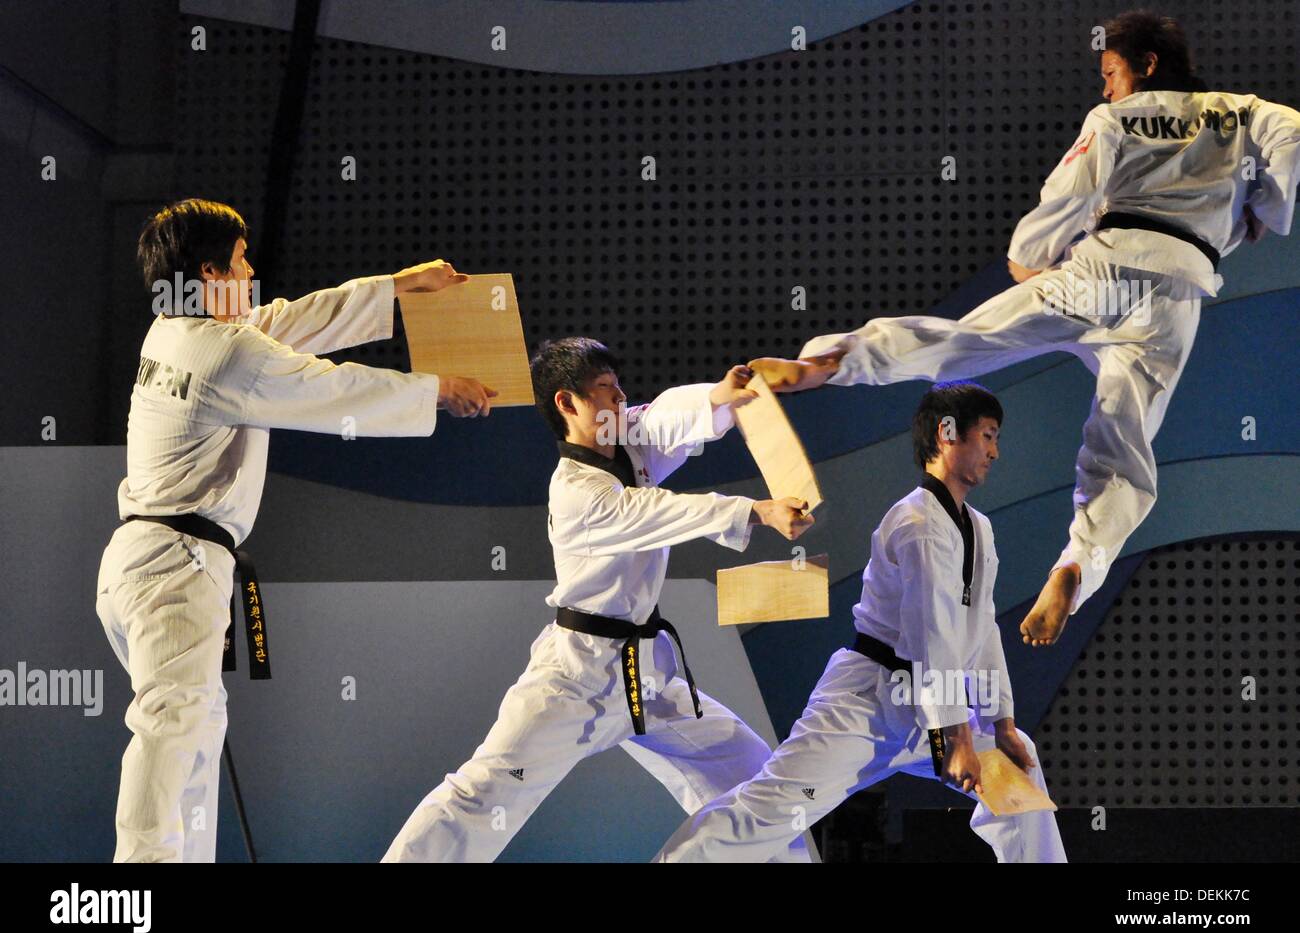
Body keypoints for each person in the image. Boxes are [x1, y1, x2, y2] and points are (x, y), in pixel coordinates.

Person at [751, 11, 1300, 647]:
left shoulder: (1115, 121)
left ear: (1147, 66)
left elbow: (1064, 194)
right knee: (1122, 452)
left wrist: (1028, 253)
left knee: (960, 344)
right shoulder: (1241, 112)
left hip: (1099, 270)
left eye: (1111, 73)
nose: (1105, 89)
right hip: (1174, 297)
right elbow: (1289, 140)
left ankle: (830, 362)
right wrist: (1266, 210)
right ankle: (1075, 565)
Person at [95, 198, 495, 862]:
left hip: (147, 561)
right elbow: (328, 389)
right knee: (172, 728)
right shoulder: (224, 352)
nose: (251, 269)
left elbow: (285, 321)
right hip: (175, 569)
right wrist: (435, 390)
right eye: (241, 259)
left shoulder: (171, 331)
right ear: (209, 271)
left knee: (191, 731)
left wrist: (399, 289)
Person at [382, 337, 815, 862]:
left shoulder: (627, 441)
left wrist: (722, 396)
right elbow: (654, 511)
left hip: (646, 679)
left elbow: (664, 417)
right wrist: (755, 510)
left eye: (619, 388)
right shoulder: (576, 490)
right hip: (574, 678)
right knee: (485, 790)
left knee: (747, 768)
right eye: (606, 391)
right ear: (568, 403)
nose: (620, 399)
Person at [656, 382, 1067, 863]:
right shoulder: (916, 522)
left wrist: (1001, 721)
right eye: (988, 436)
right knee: (773, 810)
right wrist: (955, 735)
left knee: (1020, 770)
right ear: (947, 433)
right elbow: (930, 633)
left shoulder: (978, 526)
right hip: (865, 705)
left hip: (925, 704)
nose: (995, 452)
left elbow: (981, 625)